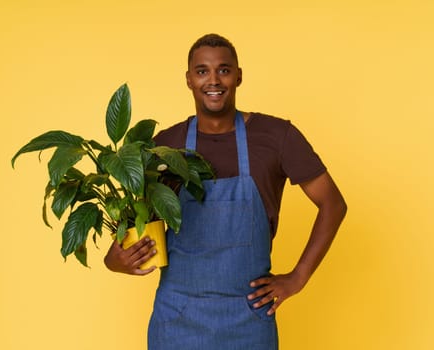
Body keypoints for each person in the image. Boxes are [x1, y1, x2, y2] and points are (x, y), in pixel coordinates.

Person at [104, 33, 347, 349]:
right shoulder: (164, 146)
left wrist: (298, 277)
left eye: (224, 69)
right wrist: (116, 260)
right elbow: (140, 224)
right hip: (177, 318)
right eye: (202, 71)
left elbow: (333, 204)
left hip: (249, 318)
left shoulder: (277, 136)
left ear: (238, 76)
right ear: (189, 79)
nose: (213, 80)